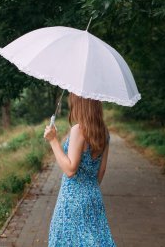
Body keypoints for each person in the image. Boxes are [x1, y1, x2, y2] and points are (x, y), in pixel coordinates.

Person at [43, 92, 116, 246]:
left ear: (80, 104)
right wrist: (88, 189)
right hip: (93, 195)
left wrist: (53, 140)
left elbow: (70, 169)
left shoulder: (79, 129)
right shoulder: (104, 132)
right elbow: (101, 170)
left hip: (72, 200)